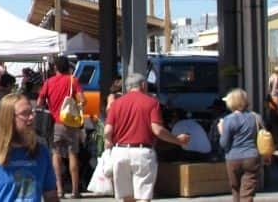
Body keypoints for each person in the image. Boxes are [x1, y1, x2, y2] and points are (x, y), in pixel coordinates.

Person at [104, 73, 190, 202]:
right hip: (142, 152)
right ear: (143, 85)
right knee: (144, 197)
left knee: (127, 197)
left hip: (120, 152)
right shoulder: (151, 103)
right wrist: (177, 140)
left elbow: (107, 130)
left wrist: (108, 142)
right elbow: (157, 130)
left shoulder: (116, 104)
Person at [0, 93, 59, 202]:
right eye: (25, 114)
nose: (32, 117)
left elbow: (51, 196)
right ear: (8, 119)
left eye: (32, 112)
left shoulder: (41, 152)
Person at [37, 57, 85, 198]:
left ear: (55, 68)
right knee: (73, 154)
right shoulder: (73, 81)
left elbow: (40, 102)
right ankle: (75, 190)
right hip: (70, 123)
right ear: (68, 67)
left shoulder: (48, 82)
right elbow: (82, 100)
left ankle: (59, 189)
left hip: (54, 123)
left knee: (56, 154)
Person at [218, 88, 261, 202]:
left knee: (236, 189)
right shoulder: (256, 117)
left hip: (233, 158)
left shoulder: (228, 120)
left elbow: (224, 144)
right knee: (247, 193)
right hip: (251, 157)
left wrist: (221, 131)